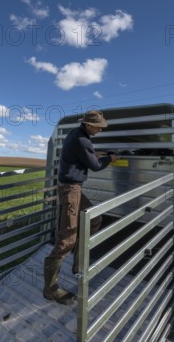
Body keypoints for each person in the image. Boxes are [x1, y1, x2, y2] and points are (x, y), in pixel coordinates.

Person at [43, 110, 118, 305]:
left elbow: (86, 155)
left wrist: (98, 153)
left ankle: (79, 265)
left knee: (94, 219)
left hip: (73, 188)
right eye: (98, 127)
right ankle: (50, 290)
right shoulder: (83, 140)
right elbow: (95, 166)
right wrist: (110, 159)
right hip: (71, 190)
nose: (100, 130)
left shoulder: (76, 134)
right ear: (87, 124)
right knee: (66, 239)